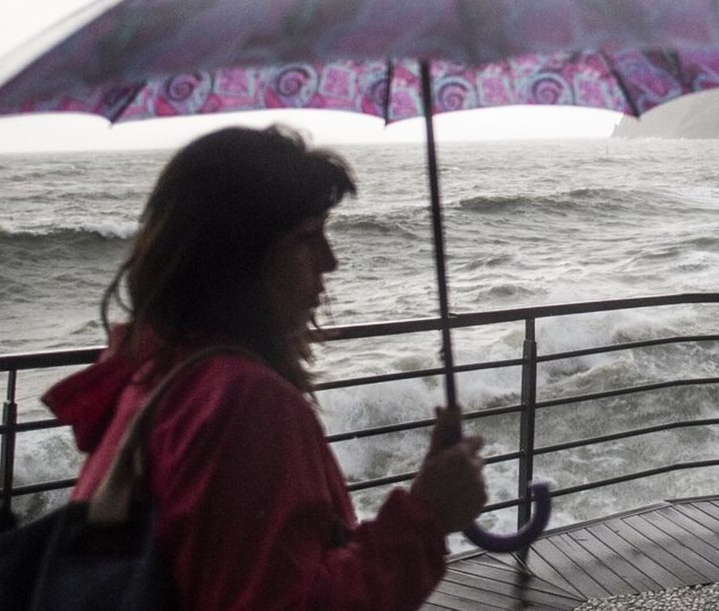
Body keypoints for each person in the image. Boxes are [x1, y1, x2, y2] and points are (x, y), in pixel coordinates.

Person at [42, 125, 487, 609]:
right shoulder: (239, 401)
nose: (331, 261)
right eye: (308, 236)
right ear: (237, 257)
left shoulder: (152, 375)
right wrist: (425, 517)